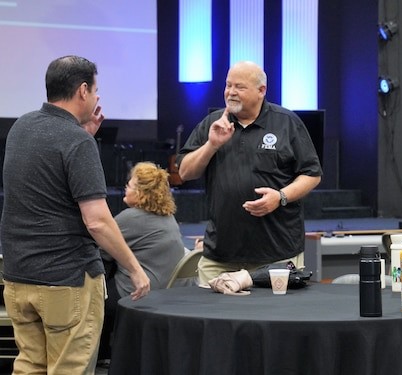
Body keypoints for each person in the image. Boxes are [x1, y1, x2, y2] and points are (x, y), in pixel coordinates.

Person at [0, 55, 150, 374]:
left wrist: (85, 136)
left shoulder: (20, 127)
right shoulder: (76, 141)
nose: (96, 97)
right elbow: (96, 220)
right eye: (96, 91)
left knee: (29, 367)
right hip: (65, 283)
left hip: (17, 279)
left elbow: (46, 185)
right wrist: (134, 267)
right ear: (83, 91)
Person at [177, 61, 322, 285]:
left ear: (261, 91)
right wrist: (211, 145)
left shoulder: (286, 123)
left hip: (277, 256)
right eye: (228, 85)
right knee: (213, 319)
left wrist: (280, 197)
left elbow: (312, 174)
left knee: (274, 320)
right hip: (220, 257)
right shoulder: (213, 123)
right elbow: (185, 172)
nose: (231, 92)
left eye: (240, 87)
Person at [98, 162, 185, 361]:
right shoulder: (168, 217)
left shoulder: (130, 218)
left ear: (141, 192)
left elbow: (100, 251)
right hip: (167, 292)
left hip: (138, 293)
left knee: (91, 295)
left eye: (129, 185)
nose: (125, 187)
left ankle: (100, 354)